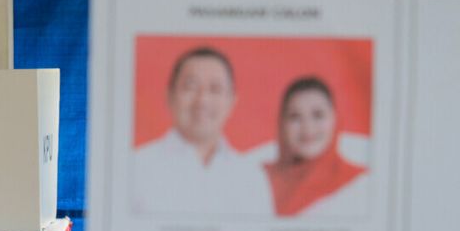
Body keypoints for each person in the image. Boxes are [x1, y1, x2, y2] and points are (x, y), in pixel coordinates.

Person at [133, 46, 268, 215]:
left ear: (232, 101)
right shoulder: (135, 167)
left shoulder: (251, 176)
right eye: (191, 87)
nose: (202, 100)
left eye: (215, 89)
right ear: (169, 96)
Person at [264, 76, 366, 217]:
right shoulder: (258, 180)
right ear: (282, 124)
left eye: (318, 115)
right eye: (295, 117)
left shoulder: (360, 184)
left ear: (335, 119)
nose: (307, 128)